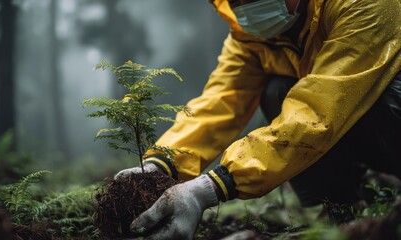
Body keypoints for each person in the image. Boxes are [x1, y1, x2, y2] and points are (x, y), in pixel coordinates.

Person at [115, 0, 401, 239]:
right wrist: (161, 164)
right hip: (346, 116)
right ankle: (343, 208)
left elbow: (318, 109)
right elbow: (221, 100)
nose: (245, 5)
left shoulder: (363, 5)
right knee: (277, 92)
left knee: (388, 92)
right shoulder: (250, 35)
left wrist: (210, 188)